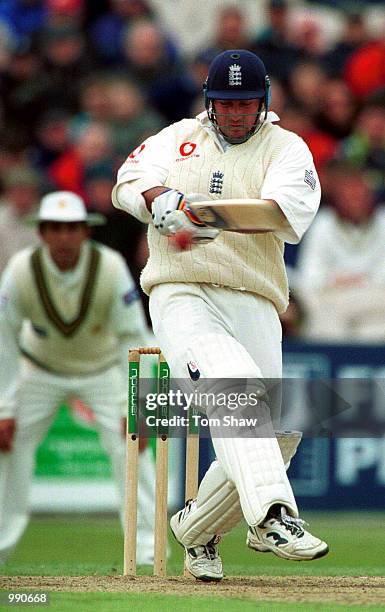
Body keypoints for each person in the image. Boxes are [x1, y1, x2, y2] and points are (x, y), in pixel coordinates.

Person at [112, 49, 328, 581]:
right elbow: (127, 180)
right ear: (210, 102)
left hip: (253, 298)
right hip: (180, 292)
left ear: (265, 101)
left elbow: (281, 212)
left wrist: (203, 213)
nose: (235, 113)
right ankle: (275, 515)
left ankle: (197, 532)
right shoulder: (177, 136)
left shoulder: (287, 148)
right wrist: (159, 198)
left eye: (246, 102)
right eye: (225, 103)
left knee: (279, 424)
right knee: (233, 384)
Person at [0, 191, 156, 566]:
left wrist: (137, 405)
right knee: (7, 448)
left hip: (103, 370)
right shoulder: (21, 269)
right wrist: (5, 407)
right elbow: (4, 340)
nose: (64, 238)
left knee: (133, 447)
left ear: (86, 232)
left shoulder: (110, 267)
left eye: (72, 228)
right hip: (38, 368)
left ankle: (149, 556)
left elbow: (133, 337)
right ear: (42, 233)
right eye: (55, 228)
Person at [295, 161, 385, 342]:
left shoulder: (383, 222)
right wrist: (343, 280)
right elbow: (310, 276)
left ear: (370, 197)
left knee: (372, 329)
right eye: (349, 197)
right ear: (338, 199)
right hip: (330, 298)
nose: (355, 202)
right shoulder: (322, 224)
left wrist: (352, 281)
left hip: (372, 298)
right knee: (322, 313)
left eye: (360, 196)